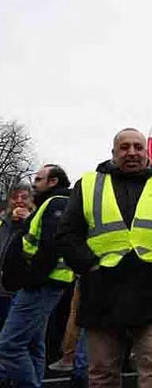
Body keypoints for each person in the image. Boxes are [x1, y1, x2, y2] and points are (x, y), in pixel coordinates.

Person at [56, 128, 152, 388]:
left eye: (138, 147)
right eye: (124, 147)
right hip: (101, 291)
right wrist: (90, 265)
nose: (131, 152)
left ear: (146, 152)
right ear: (113, 153)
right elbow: (67, 232)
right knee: (102, 372)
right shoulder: (88, 184)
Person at [0, 165, 74, 388]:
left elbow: (50, 246)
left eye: (39, 179)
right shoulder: (51, 204)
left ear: (53, 182)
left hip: (41, 284)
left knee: (9, 345)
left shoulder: (57, 203)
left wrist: (30, 277)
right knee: (33, 344)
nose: (34, 184)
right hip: (42, 282)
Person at [0, 185, 33, 329]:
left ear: (31, 201)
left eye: (24, 198)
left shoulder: (37, 223)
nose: (19, 201)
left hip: (21, 291)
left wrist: (29, 221)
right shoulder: (2, 221)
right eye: (15, 197)